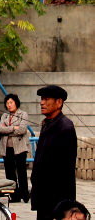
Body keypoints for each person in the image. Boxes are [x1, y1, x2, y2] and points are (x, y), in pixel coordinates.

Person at [31, 85, 77, 220]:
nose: (42, 102)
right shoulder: (47, 124)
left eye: (46, 99)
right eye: (41, 99)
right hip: (43, 194)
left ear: (59, 102)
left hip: (57, 197)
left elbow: (65, 167)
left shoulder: (65, 127)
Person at [0, 93, 31, 203]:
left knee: (21, 171)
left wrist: (8, 129)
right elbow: (0, 129)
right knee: (10, 172)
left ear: (16, 102)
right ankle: (14, 195)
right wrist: (13, 128)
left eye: (11, 102)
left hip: (19, 147)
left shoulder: (23, 114)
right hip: (7, 147)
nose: (9, 105)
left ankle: (25, 194)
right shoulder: (5, 116)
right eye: (7, 103)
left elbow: (22, 130)